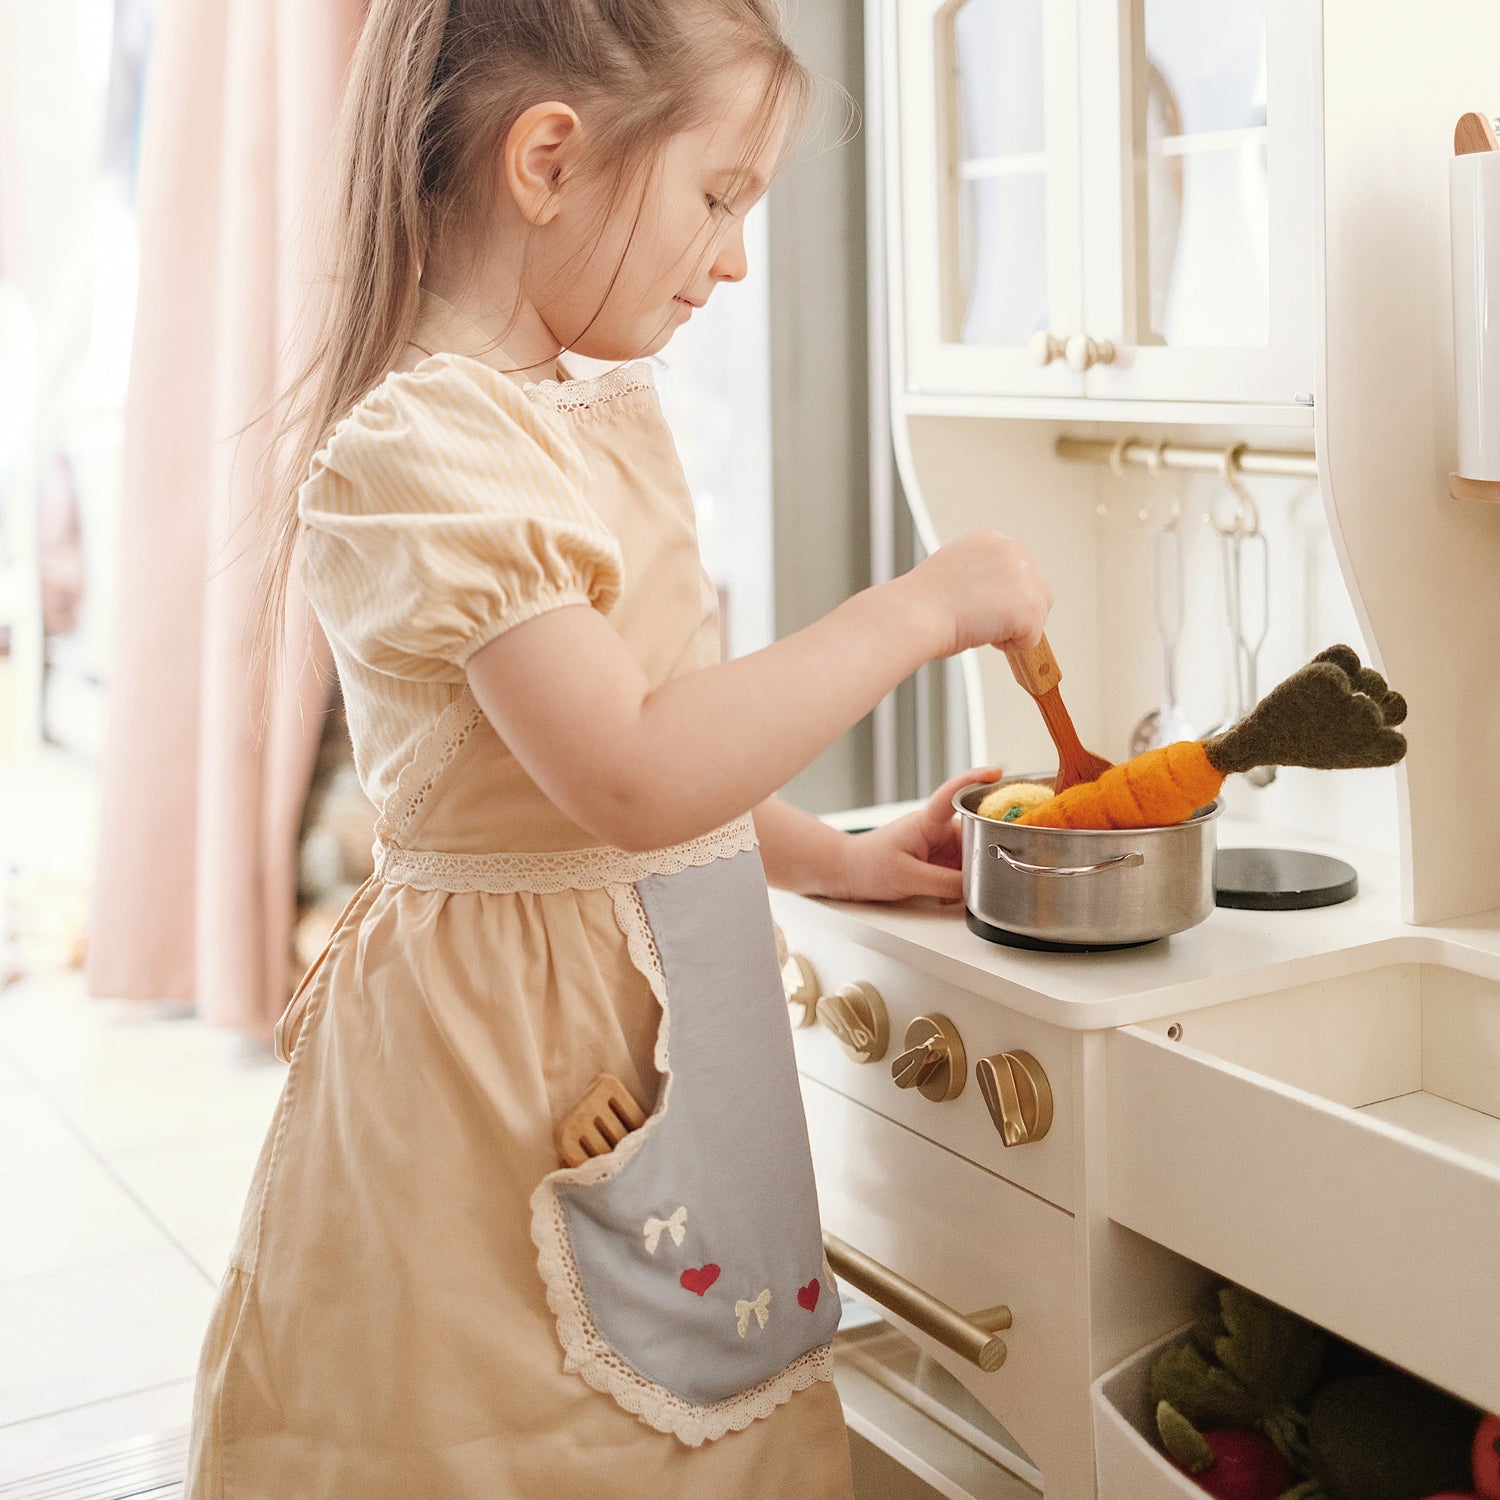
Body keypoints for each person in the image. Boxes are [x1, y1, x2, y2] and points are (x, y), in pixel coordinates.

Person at [185, 0, 1052, 1494]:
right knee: (521, 1434)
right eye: (719, 198)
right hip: (503, 1074)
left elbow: (644, 784)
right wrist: (918, 610)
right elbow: (631, 769)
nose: (732, 257)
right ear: (547, 161)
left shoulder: (570, 418)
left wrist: (837, 855)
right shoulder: (426, 446)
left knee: (697, 1415)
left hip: (663, 1033)